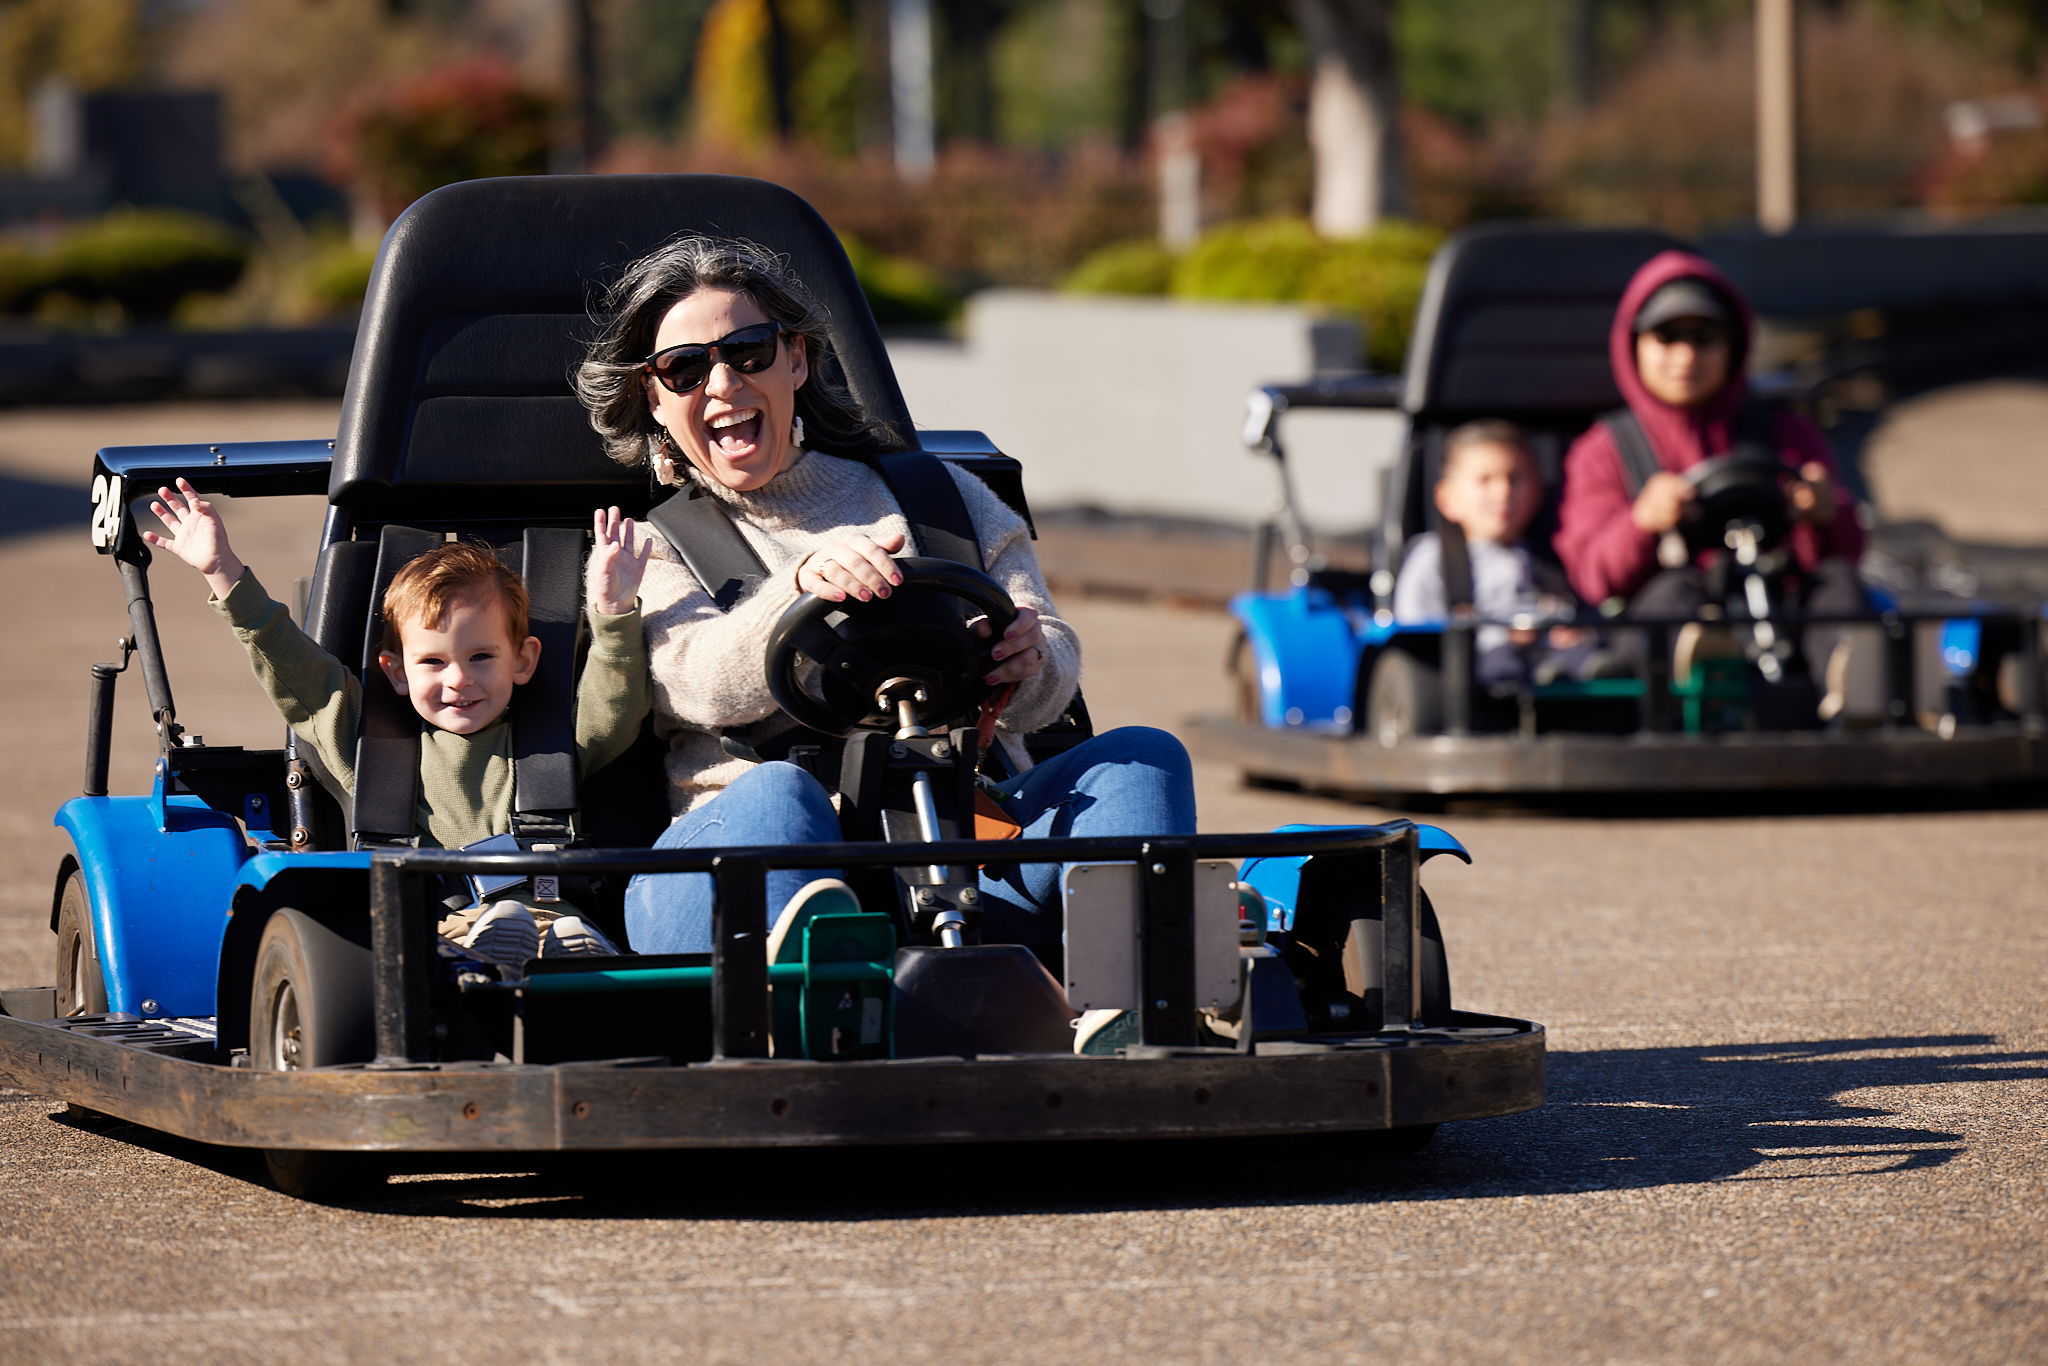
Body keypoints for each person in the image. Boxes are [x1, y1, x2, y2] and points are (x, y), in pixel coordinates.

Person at [571, 235, 1195, 967]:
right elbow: (697, 681)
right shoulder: (650, 547)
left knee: (1144, 759)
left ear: (796, 360)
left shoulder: (943, 500)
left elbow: (1044, 697)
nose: (721, 385)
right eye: (683, 369)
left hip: (965, 835)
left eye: (747, 352)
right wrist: (798, 586)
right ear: (654, 398)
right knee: (779, 796)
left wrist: (1031, 656)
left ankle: (1129, 1008)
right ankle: (821, 1008)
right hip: (736, 866)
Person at [142, 480, 653, 964]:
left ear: (522, 661)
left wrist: (613, 609)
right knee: (493, 925)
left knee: (555, 928)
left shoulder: (552, 744)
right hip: (430, 933)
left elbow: (616, 699)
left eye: (481, 657)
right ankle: (493, 957)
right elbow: (296, 669)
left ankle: (573, 967)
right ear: (396, 672)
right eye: (433, 662)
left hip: (553, 914)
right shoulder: (370, 746)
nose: (458, 680)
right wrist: (223, 572)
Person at [1553, 251, 1865, 638]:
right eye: (1667, 337)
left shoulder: (1786, 432)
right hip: (1663, 645)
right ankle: (1709, 678)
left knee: (1838, 584)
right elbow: (1592, 578)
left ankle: (1851, 687)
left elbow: (1847, 555)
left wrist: (1825, 512)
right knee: (1672, 596)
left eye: (1705, 338)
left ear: (1734, 344)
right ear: (1634, 342)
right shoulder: (1602, 450)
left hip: (1780, 616)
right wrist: (1641, 523)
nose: (1686, 357)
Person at [1394, 419, 1612, 687]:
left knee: (1585, 654)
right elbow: (1413, 632)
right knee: (1500, 660)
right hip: (1476, 667)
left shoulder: (1552, 556)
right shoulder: (1433, 557)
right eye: (1485, 480)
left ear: (1538, 491)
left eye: (1515, 479)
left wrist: (1569, 630)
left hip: (1550, 655)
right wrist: (1495, 632)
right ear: (1448, 498)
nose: (1503, 492)